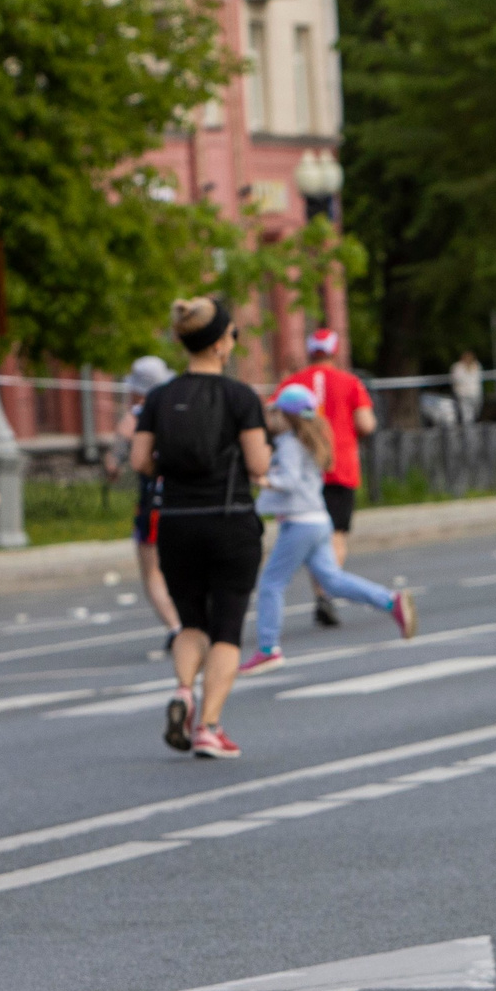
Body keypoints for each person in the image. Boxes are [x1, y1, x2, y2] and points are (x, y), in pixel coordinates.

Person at [132, 297, 270, 757]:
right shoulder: (239, 397)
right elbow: (256, 463)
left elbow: (139, 461)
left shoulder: (159, 398)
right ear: (218, 344)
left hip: (175, 523)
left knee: (192, 620)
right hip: (229, 518)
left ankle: (181, 691)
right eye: (232, 335)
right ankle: (209, 726)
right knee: (226, 626)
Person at [241, 385, 416, 672]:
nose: (272, 419)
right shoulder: (308, 440)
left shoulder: (288, 444)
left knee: (272, 584)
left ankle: (268, 647)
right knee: (332, 581)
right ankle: (391, 601)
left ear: (287, 416)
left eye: (275, 413)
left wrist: (261, 479)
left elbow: (289, 481)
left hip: (300, 524)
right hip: (319, 521)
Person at [284, 329, 375, 629]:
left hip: (302, 468)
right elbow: (366, 423)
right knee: (335, 535)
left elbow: (273, 415)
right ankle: (327, 591)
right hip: (340, 465)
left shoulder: (294, 382)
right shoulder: (350, 382)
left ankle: (321, 589)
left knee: (312, 533)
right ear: (335, 351)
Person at [105, 353, 182, 647]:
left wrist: (114, 462)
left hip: (154, 500)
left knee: (152, 570)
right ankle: (193, 621)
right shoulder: (179, 408)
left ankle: (176, 627)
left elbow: (117, 461)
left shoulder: (137, 415)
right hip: (185, 497)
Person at [449, 350, 484, 425]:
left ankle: (472, 427)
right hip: (463, 394)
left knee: (476, 412)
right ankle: (469, 432)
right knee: (467, 415)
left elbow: (478, 379)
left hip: (475, 394)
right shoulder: (457, 367)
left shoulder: (476, 365)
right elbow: (456, 379)